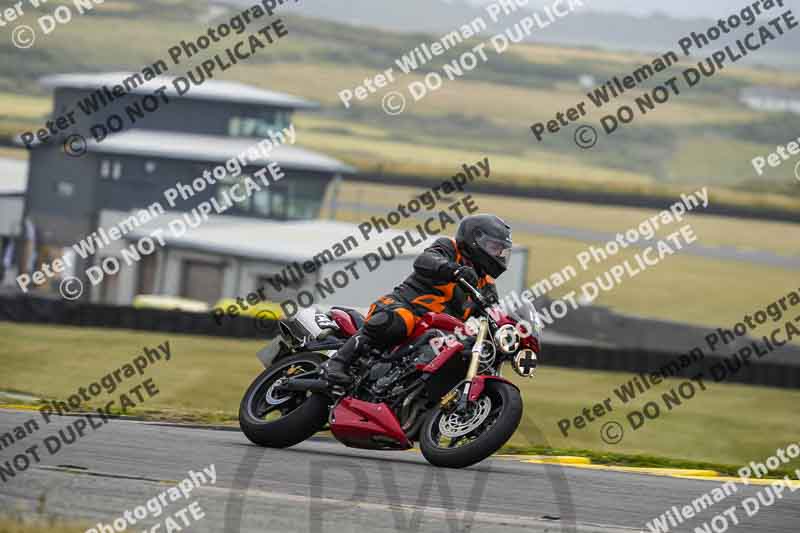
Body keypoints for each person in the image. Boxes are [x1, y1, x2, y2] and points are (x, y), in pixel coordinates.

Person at [322, 214, 513, 384]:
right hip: (402, 307)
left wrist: (510, 336)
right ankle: (337, 362)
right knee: (399, 321)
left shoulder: (486, 284)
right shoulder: (449, 248)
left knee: (467, 347)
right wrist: (453, 270)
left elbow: (493, 314)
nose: (498, 254)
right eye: (494, 247)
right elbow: (425, 260)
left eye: (501, 250)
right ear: (475, 239)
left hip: (436, 331)